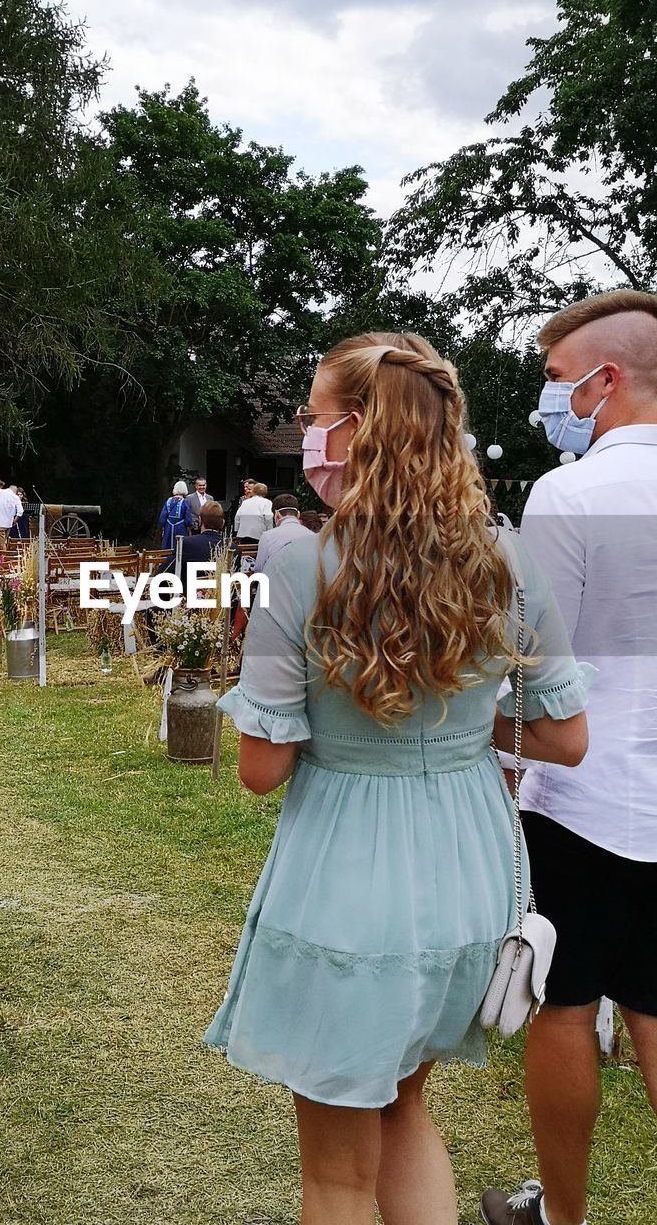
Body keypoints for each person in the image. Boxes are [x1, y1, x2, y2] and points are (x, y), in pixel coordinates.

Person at [204, 332, 592, 1225]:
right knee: (407, 1104)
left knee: (338, 1174)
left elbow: (262, 770)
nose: (306, 433)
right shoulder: (503, 557)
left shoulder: (299, 562)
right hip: (468, 875)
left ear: (354, 433)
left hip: (350, 878)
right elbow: (563, 737)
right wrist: (457, 721)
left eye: (312, 417)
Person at [481, 291, 657, 1225]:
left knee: (562, 1003)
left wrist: (500, 777)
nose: (552, 400)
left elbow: (530, 664)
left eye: (558, 380)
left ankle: (562, 1212)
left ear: (607, 380)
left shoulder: (569, 492)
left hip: (580, 798)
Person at [160, 500, 226, 594]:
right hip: (223, 604)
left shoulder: (187, 543)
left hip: (190, 603)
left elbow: (163, 573)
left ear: (199, 521)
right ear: (222, 523)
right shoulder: (234, 549)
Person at [253, 493, 313, 573]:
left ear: (277, 515)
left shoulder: (267, 536)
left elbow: (259, 569)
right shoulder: (312, 535)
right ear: (298, 515)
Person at [158, 481, 194, 551]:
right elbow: (188, 521)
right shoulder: (185, 502)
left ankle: (167, 561)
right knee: (179, 549)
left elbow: (162, 519)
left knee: (167, 549)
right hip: (180, 529)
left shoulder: (168, 501)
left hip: (168, 529)